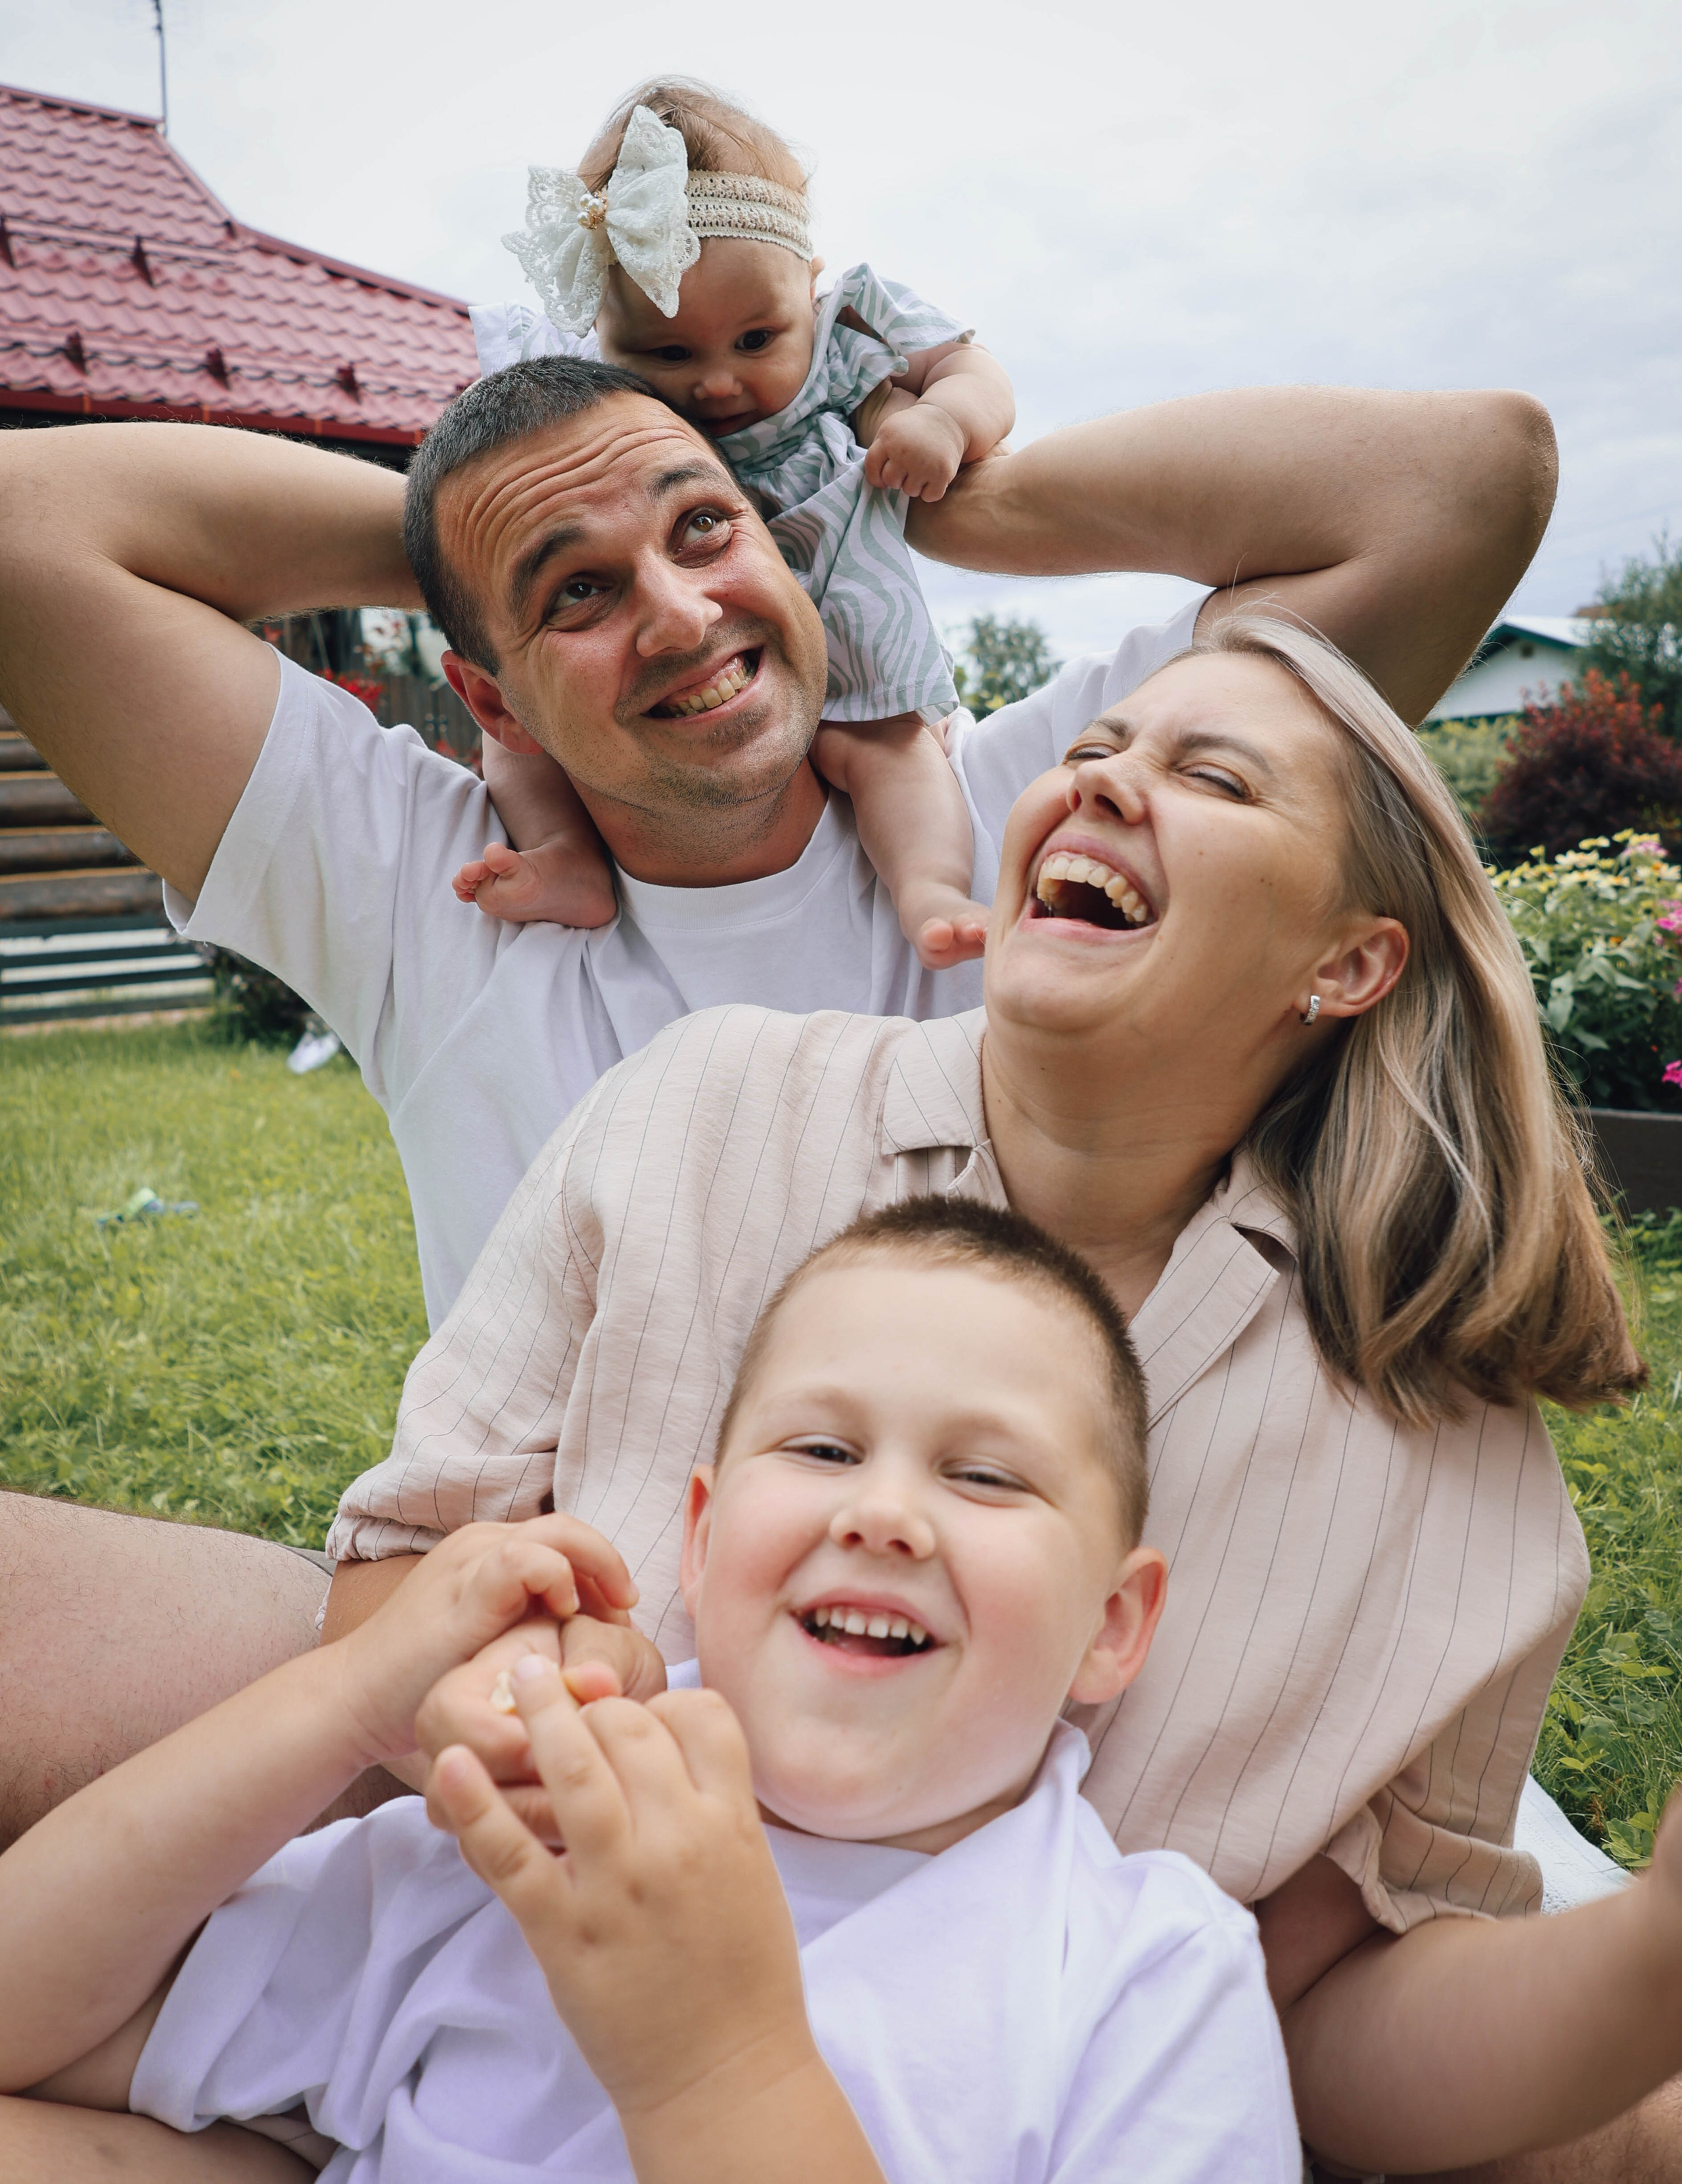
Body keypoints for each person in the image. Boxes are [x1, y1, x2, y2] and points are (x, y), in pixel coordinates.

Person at [0, 348, 1548, 1862]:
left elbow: (1465, 479)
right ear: (491, 694)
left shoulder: (1032, 828)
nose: (681, 615)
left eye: (704, 531)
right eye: (580, 595)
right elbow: (29, 524)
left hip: (1067, 1731)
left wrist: (876, 502)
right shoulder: (440, 885)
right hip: (578, 1705)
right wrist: (464, 529)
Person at [313, 612, 1681, 2179]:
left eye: (1211, 777)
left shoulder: (1444, 1448)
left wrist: (1657, 1956)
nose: (1100, 785)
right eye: (1096, 750)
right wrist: (525, 1687)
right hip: (484, 2018)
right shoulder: (707, 1099)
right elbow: (381, 1597)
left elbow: (1321, 2020)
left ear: (1350, 960)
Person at [0, 1202, 1302, 2183]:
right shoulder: (549, 1820)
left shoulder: (1145, 1979)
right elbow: (28, 2019)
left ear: (1111, 1626)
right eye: (822, 1447)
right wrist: (339, 1702)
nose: (883, 1512)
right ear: (699, 1539)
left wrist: (714, 2063)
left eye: (985, 1477)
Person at [461, 80, 1011, 969]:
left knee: (886, 748)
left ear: (810, 284)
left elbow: (972, 368)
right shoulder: (583, 392)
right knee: (517, 726)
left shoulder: (849, 330)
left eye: (757, 340)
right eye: (669, 354)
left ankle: (932, 888)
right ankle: (563, 856)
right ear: (604, 333)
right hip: (663, 639)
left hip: (838, 599)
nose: (717, 382)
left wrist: (943, 420)